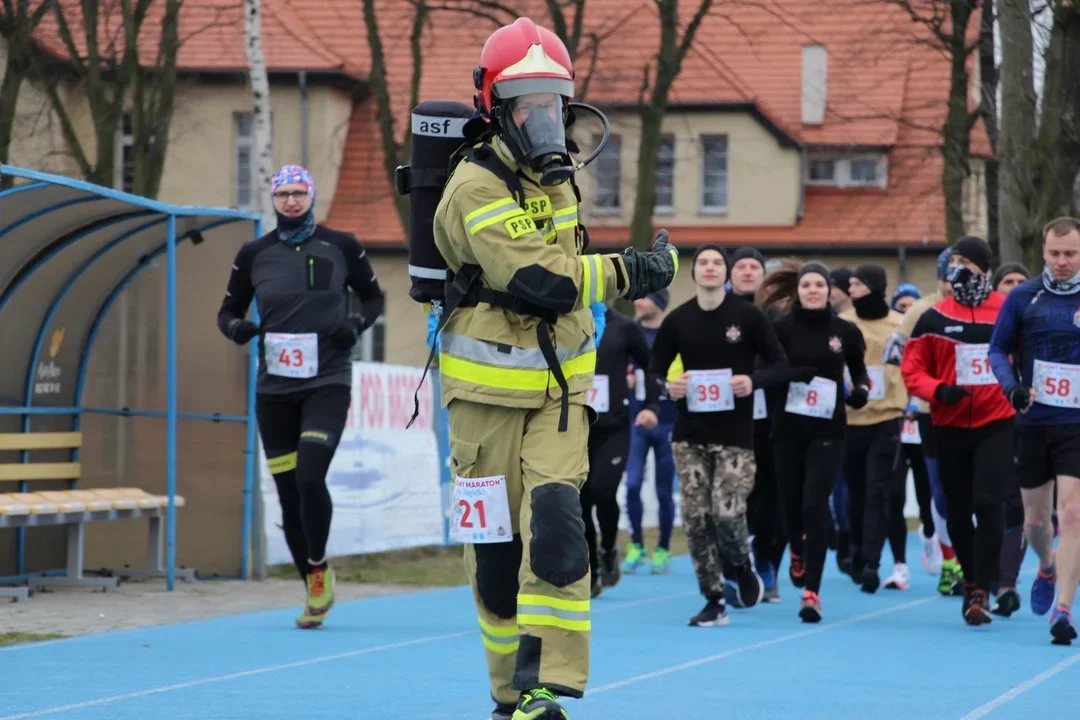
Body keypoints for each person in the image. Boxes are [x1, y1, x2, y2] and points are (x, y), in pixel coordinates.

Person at [430, 18, 678, 719]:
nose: (541, 118)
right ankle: (507, 693)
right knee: (497, 556)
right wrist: (631, 272)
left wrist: (607, 279)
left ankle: (549, 685)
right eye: (525, 104)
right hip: (483, 401)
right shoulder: (472, 188)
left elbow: (567, 270)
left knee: (560, 529)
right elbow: (542, 280)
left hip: (560, 394)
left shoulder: (557, 178)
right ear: (494, 105)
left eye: (552, 102)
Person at [217, 164, 386, 629]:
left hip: (327, 380)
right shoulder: (255, 253)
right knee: (289, 494)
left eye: (299, 193)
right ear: (273, 199)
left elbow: (374, 300)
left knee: (311, 475)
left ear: (312, 196)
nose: (291, 201)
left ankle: (316, 560)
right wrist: (237, 329)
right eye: (283, 194)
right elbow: (227, 310)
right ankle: (315, 577)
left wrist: (353, 326)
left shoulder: (342, 245)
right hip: (274, 390)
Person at [641, 244, 790, 626]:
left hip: (736, 435)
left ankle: (740, 566)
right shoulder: (678, 320)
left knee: (726, 512)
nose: (709, 268)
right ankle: (713, 599)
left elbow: (779, 366)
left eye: (716, 263)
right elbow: (654, 373)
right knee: (695, 518)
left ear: (725, 274)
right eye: (703, 263)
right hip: (689, 434)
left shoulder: (748, 317)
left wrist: (750, 381)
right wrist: (670, 387)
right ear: (693, 273)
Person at [901, 235, 1014, 626]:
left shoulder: (1006, 310)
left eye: (967, 262)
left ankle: (985, 583)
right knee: (959, 508)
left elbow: (1029, 354)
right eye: (954, 261)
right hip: (948, 424)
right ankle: (971, 583)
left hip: (997, 421)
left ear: (984, 267)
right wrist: (939, 390)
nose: (958, 268)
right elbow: (912, 370)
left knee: (987, 501)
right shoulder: (933, 317)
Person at [759, 262, 869, 623]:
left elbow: (859, 372)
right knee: (791, 508)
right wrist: (794, 375)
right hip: (786, 432)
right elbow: (765, 374)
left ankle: (812, 593)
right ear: (798, 291)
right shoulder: (779, 329)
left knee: (814, 505)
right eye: (806, 284)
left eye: (819, 284)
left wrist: (861, 392)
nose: (813, 290)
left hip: (828, 432)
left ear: (829, 290)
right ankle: (796, 548)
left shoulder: (845, 331)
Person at [989, 217, 1080, 644]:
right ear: (1043, 252)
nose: (1063, 262)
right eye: (1056, 254)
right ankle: (1046, 564)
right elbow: (997, 349)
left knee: (1074, 512)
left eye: (1071, 254)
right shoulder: (1024, 297)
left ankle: (1063, 609)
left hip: (1075, 424)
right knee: (1035, 521)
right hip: (1033, 420)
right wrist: (1013, 389)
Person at [886, 248, 962, 596]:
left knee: (981, 492)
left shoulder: (986, 307)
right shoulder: (920, 310)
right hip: (933, 412)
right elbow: (894, 358)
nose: (954, 284)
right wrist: (914, 397)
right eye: (948, 276)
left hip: (982, 413)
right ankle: (950, 560)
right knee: (943, 491)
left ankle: (976, 560)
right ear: (939, 277)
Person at [837, 265, 911, 593]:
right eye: (850, 284)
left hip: (887, 416)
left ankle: (871, 561)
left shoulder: (899, 324)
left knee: (878, 490)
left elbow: (912, 364)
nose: (850, 289)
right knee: (856, 491)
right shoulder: (844, 324)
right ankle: (855, 548)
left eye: (856, 283)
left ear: (875, 286)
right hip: (851, 418)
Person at [581, 301, 655, 597]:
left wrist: (651, 405)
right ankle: (591, 570)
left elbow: (651, 365)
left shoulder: (624, 326)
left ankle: (609, 546)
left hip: (614, 427)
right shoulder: (562, 319)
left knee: (602, 490)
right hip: (574, 429)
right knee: (580, 502)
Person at [729, 246, 785, 602]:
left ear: (763, 275)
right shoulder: (717, 313)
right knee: (734, 499)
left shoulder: (778, 317)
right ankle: (736, 570)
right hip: (727, 420)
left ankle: (767, 562)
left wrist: (756, 378)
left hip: (771, 421)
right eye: (741, 266)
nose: (748, 272)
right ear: (729, 274)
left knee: (771, 499)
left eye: (755, 267)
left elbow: (786, 362)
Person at [622, 289, 678, 575]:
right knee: (631, 485)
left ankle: (664, 548)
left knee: (663, 490)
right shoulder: (631, 334)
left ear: (658, 303)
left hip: (669, 421)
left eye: (643, 297)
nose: (637, 302)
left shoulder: (675, 333)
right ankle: (636, 545)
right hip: (636, 423)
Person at [889, 283, 942, 582]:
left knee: (928, 489)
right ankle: (899, 563)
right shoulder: (892, 336)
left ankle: (931, 534)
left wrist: (916, 400)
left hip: (921, 416)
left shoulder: (929, 333)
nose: (906, 311)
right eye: (901, 305)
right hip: (896, 422)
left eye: (911, 304)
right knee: (893, 492)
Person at [987, 260, 1031, 617]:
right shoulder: (982, 324)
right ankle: (982, 574)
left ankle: (1007, 583)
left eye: (1020, 281)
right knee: (986, 502)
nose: (1014, 287)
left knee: (1020, 505)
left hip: (1030, 423)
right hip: (984, 424)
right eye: (1007, 281)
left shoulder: (1038, 323)